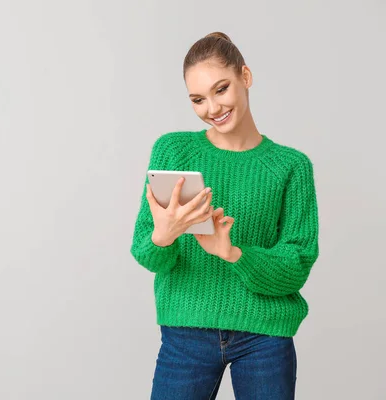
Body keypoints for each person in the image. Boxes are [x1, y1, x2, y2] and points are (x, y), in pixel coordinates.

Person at [129, 32, 319, 400]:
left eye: (221, 89)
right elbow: (145, 251)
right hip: (185, 331)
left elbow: (297, 264)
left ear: (245, 77)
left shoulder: (291, 167)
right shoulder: (173, 151)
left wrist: (232, 252)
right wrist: (164, 235)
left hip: (264, 335)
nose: (212, 109)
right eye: (198, 99)